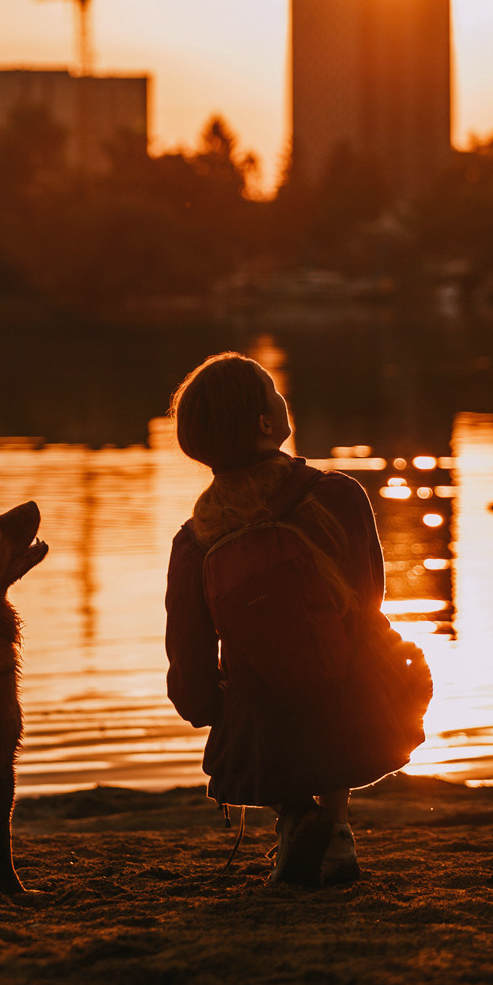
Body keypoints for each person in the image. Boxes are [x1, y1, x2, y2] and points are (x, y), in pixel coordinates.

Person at [163, 352, 430, 886]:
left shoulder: (194, 541)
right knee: (347, 649)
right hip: (354, 709)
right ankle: (336, 828)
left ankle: (294, 815)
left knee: (257, 681)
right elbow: (369, 603)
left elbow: (189, 658)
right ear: (267, 424)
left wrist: (209, 708)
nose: (284, 398)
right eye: (274, 391)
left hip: (259, 729)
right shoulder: (339, 495)